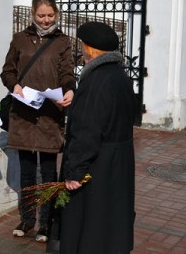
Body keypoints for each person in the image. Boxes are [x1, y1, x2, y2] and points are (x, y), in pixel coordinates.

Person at [0, 0, 76, 243]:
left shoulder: (63, 41)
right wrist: (15, 86)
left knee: (48, 173)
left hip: (49, 116)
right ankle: (27, 219)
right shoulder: (20, 39)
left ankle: (46, 223)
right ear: (33, 14)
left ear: (57, 14)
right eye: (41, 15)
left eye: (50, 15)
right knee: (27, 173)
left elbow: (67, 71)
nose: (45, 20)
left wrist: (69, 89)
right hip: (23, 115)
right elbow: (7, 70)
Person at [59, 22, 137, 254]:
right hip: (119, 162)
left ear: (91, 50)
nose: (81, 52)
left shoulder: (95, 81)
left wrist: (74, 171)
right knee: (112, 219)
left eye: (83, 46)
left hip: (97, 164)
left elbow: (86, 130)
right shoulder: (121, 77)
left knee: (90, 223)